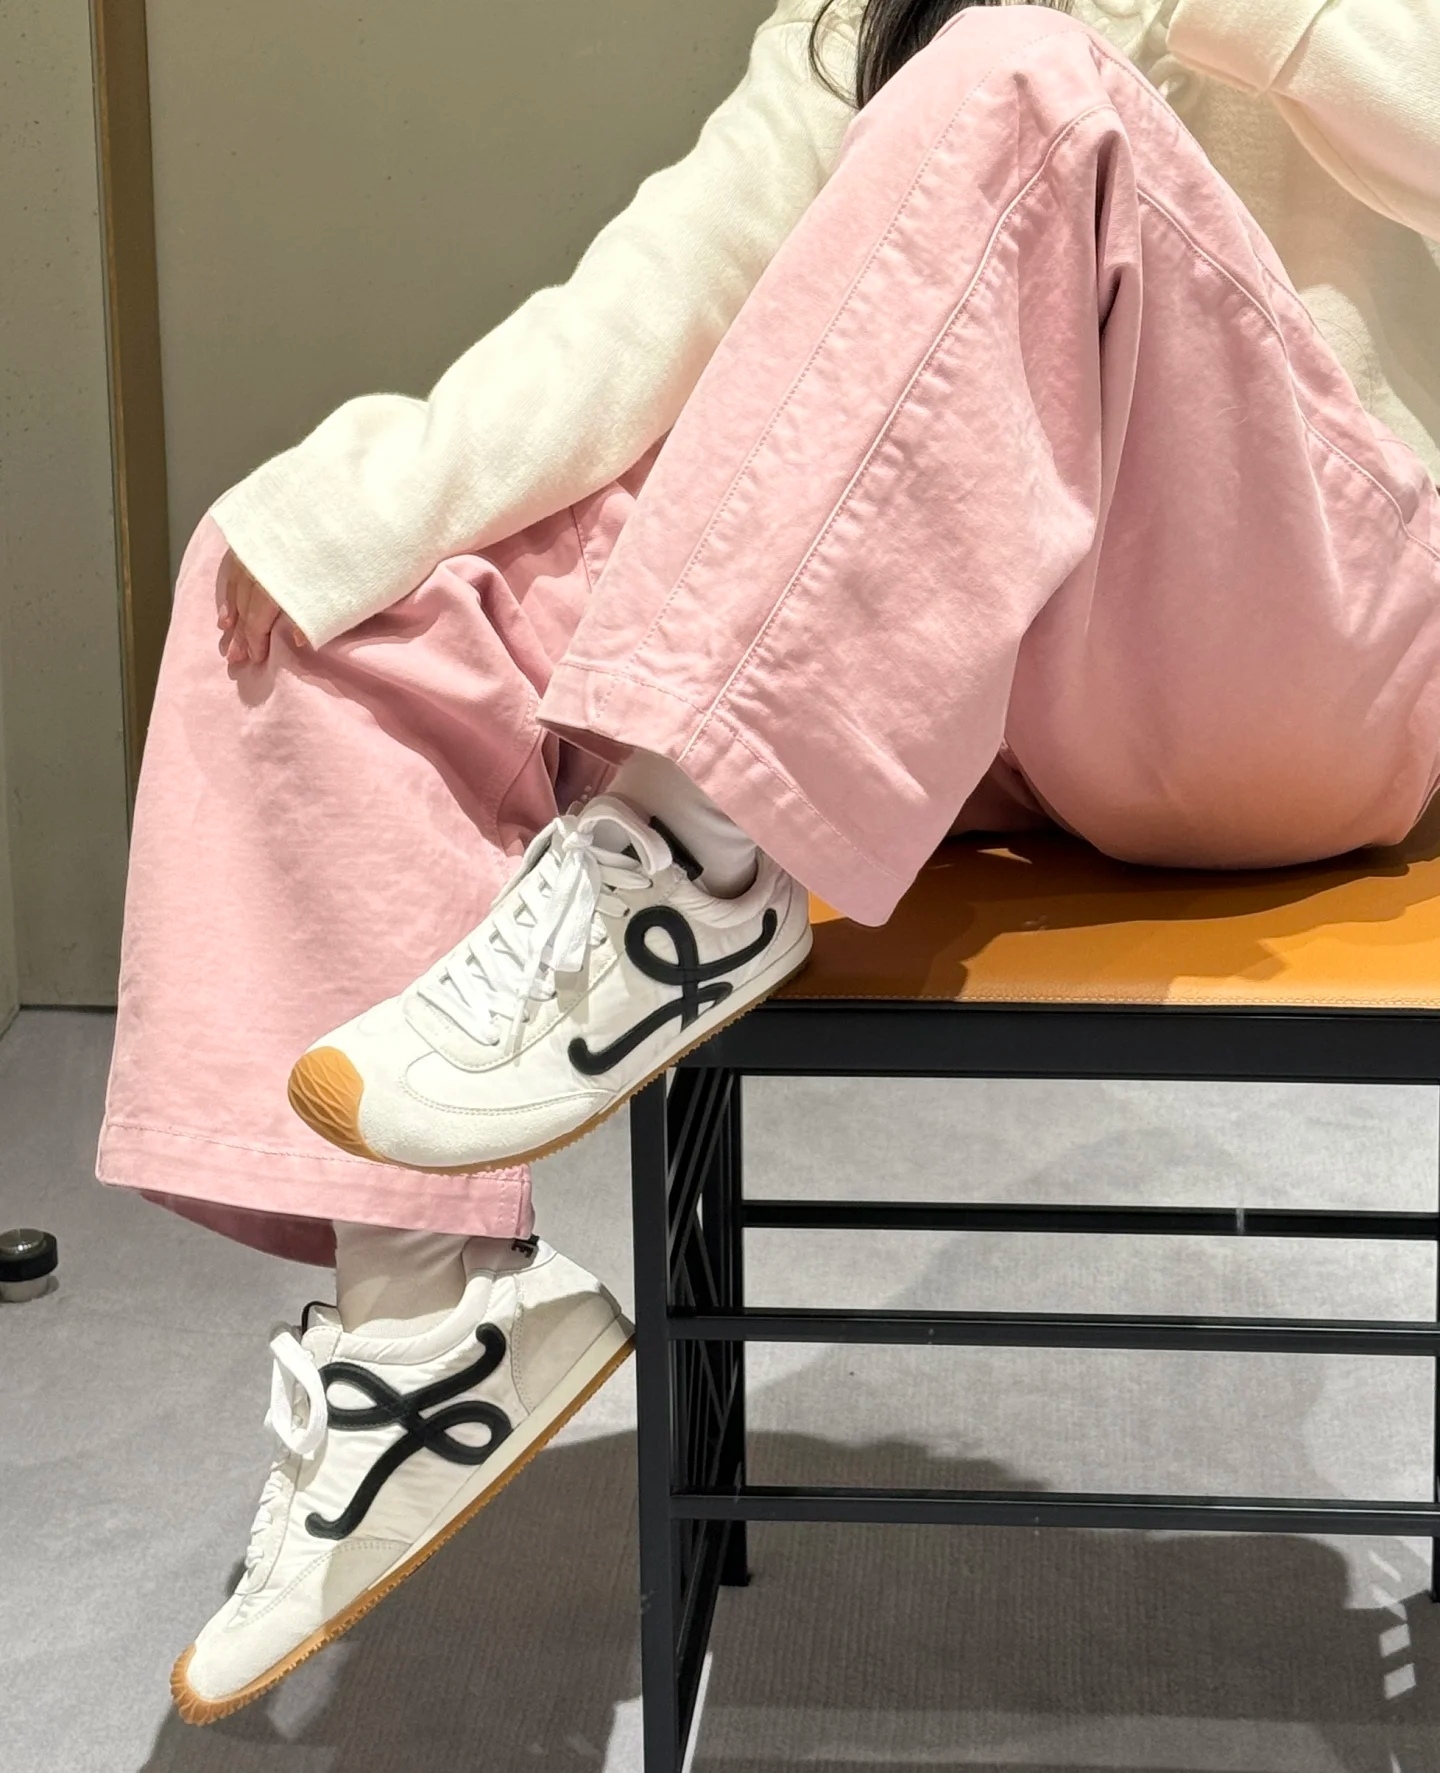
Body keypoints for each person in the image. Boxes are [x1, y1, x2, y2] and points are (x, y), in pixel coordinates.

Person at [95, 0, 1440, 1725]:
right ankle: (421, 1331)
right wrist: (375, 504)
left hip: (1314, 664)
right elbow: (657, 297)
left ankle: (683, 864)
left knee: (1022, 77)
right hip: (1014, 697)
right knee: (345, 578)